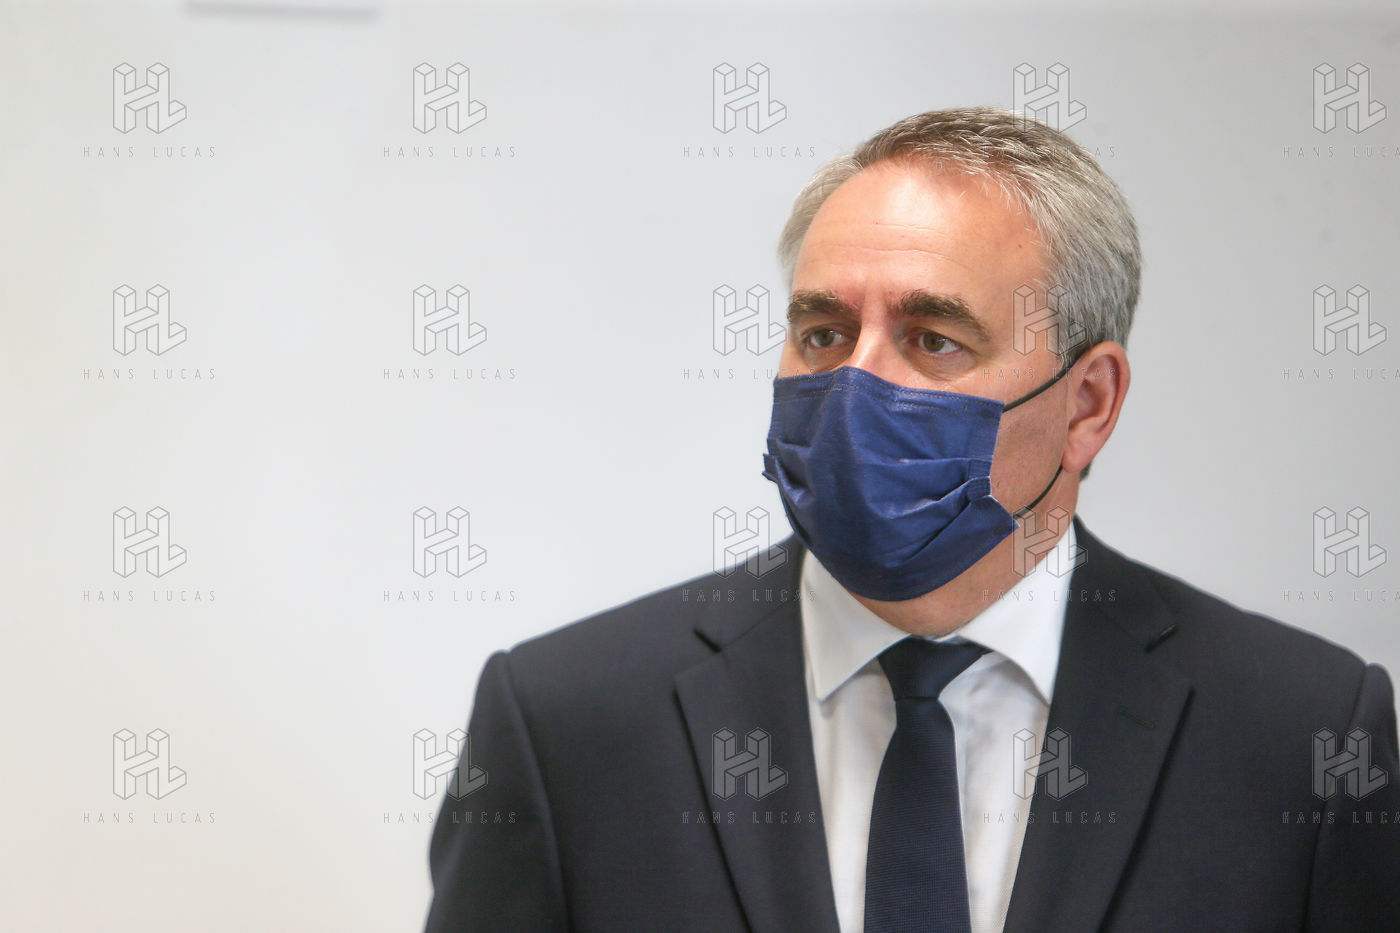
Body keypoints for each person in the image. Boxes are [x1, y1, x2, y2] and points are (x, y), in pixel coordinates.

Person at [422, 108, 1400, 933]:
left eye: (933, 339)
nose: (853, 386)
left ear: (1087, 403)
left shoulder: (1299, 734)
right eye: (822, 332)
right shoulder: (564, 723)